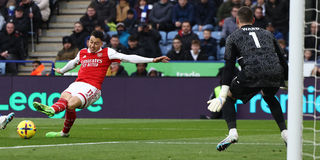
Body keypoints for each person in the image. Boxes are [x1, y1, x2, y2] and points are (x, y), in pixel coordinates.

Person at [32, 31, 170, 137]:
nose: (92, 45)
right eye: (90, 42)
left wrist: (153, 60)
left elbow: (128, 58)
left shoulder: (107, 53)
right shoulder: (83, 52)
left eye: (95, 43)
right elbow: (73, 63)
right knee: (64, 96)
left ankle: (53, 111)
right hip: (78, 83)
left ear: (101, 44)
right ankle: (62, 130)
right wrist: (61, 71)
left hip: (93, 87)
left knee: (71, 103)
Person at [207, 6, 288, 151]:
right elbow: (282, 59)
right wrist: (286, 82)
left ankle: (232, 133)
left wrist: (222, 95)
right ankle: (285, 132)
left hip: (252, 71)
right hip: (275, 71)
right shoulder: (268, 33)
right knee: (269, 96)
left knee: (229, 97)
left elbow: (229, 66)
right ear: (253, 20)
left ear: (237, 20)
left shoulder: (233, 37)